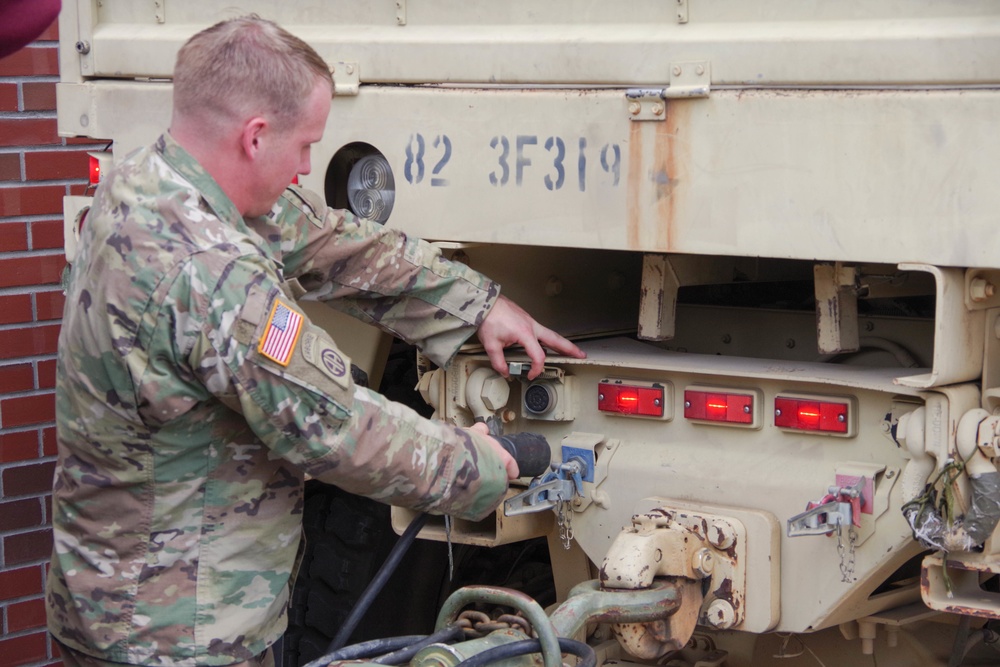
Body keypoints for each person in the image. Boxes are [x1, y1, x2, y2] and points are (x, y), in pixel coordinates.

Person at [46, 15, 584, 667]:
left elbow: (328, 241)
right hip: (181, 638)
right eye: (305, 146)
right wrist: (480, 467)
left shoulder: (146, 189)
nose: (307, 166)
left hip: (99, 608)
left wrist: (476, 304)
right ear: (254, 137)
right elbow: (338, 427)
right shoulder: (214, 273)